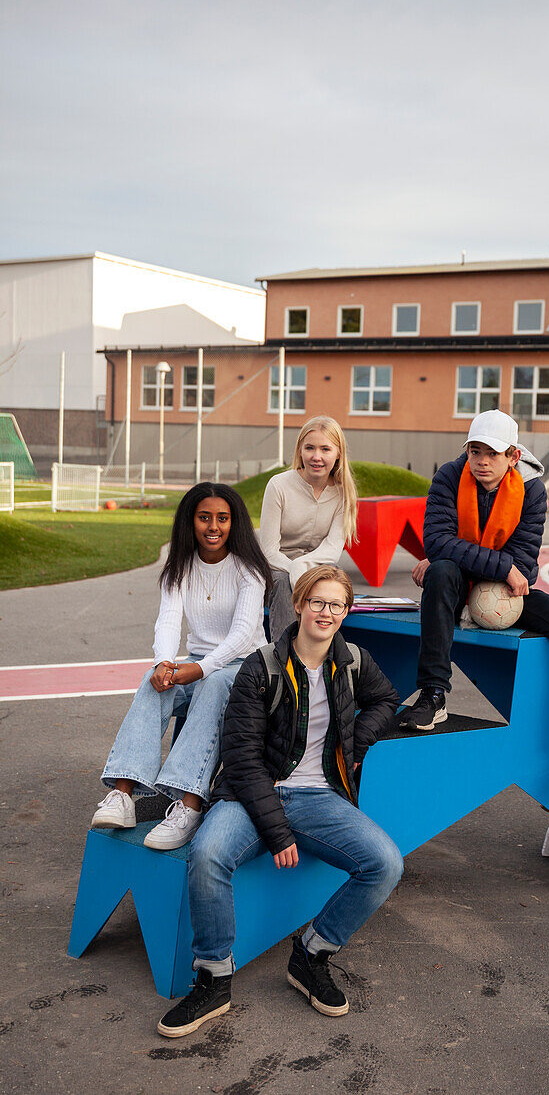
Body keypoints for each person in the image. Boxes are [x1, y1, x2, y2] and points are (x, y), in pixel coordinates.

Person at [157, 564, 402, 1038]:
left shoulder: (354, 661)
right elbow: (242, 758)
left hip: (320, 796)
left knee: (386, 863)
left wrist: (356, 744)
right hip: (254, 793)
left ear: (346, 611)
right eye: (317, 601)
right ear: (300, 605)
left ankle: (311, 954)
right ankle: (213, 977)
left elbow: (387, 701)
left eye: (336, 604)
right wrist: (277, 830)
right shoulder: (262, 664)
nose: (325, 612)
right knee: (208, 854)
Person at [401, 409, 549, 801]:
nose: (482, 462)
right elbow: (438, 543)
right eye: (475, 452)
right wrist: (500, 564)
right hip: (456, 584)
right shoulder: (449, 477)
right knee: (440, 572)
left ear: (513, 457)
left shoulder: (532, 491)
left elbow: (525, 565)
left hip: (501, 594)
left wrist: (500, 567)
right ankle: (433, 695)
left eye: (492, 453)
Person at [90, 482, 272, 850]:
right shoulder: (181, 566)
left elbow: (241, 634)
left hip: (247, 668)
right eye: (204, 517)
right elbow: (169, 620)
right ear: (190, 521)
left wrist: (201, 668)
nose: (213, 527)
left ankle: (188, 805)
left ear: (234, 523)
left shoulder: (249, 569)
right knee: (151, 681)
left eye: (222, 518)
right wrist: (163, 663)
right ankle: (124, 794)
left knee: (215, 684)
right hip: (198, 663)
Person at [259, 416, 358, 641]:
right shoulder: (279, 485)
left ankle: (323, 656)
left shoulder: (344, 494)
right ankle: (284, 659)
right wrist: (296, 572)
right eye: (310, 448)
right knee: (284, 582)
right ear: (300, 450)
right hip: (276, 568)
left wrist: (304, 570)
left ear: (338, 453)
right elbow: (269, 551)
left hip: (319, 567)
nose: (316, 457)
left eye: (325, 449)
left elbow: (331, 550)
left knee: (332, 587)